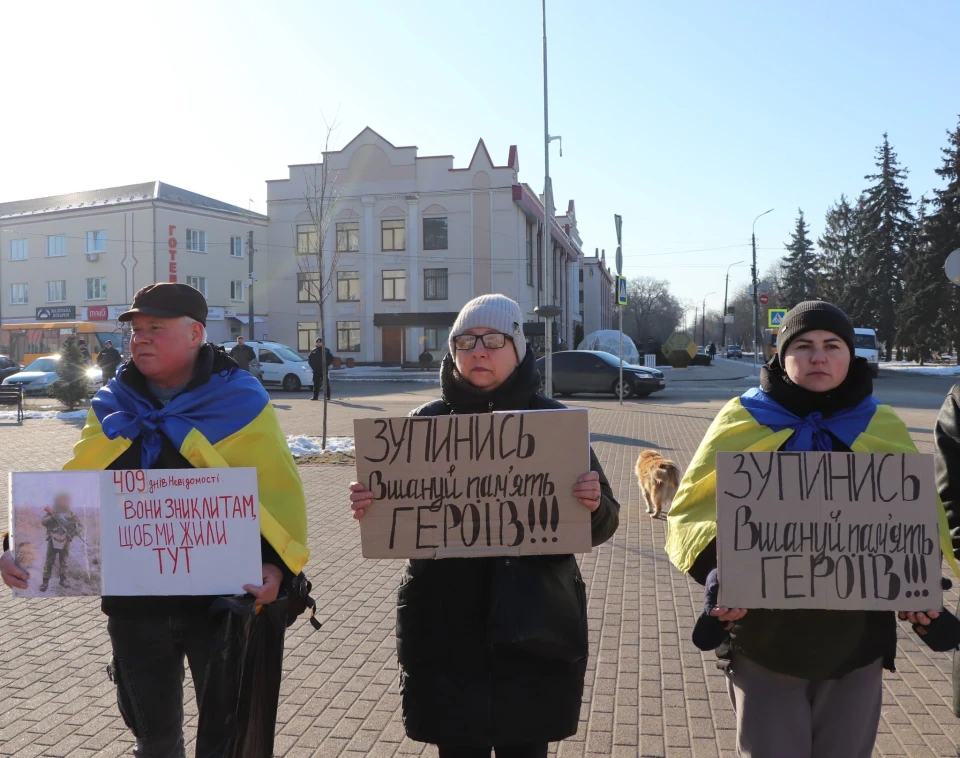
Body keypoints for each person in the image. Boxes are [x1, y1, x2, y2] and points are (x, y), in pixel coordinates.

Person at [0, 282, 310, 757]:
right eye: (136, 329)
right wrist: (19, 545)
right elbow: (76, 484)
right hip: (135, 610)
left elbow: (276, 493)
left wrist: (279, 568)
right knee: (154, 738)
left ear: (195, 335)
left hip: (220, 605)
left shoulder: (243, 402)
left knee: (228, 738)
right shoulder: (111, 404)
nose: (139, 338)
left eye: (155, 329)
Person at [666, 301, 959, 758]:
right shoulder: (742, 418)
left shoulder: (880, 424)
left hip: (856, 645)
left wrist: (919, 584)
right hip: (765, 642)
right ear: (780, 357)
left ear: (850, 356)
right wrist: (718, 572)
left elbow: (915, 520)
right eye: (803, 346)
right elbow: (693, 512)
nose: (818, 357)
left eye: (831, 345)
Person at [348, 294, 620, 758]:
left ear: (517, 348)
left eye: (492, 340)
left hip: (534, 629)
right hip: (446, 631)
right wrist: (371, 504)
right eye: (465, 341)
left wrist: (591, 505)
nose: (478, 351)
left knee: (525, 748)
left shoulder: (554, 423)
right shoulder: (424, 427)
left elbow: (602, 524)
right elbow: (396, 518)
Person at [39, 493, 82, 592]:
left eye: (65, 500)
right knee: (49, 562)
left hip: (65, 540)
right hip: (52, 539)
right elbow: (43, 521)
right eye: (61, 500)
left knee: (64, 562)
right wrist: (52, 517)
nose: (63, 502)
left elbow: (80, 526)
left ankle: (63, 581)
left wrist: (74, 531)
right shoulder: (53, 511)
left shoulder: (70, 514)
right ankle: (45, 583)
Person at [309, 336, 333, 401]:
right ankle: (315, 396)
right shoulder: (313, 351)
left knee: (325, 383)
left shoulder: (326, 351)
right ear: (316, 343)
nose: (319, 343)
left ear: (322, 343)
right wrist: (313, 367)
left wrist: (325, 365)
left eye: (320, 342)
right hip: (316, 370)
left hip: (323, 370)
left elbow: (331, 359)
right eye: (317, 342)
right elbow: (309, 360)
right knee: (316, 383)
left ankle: (328, 396)